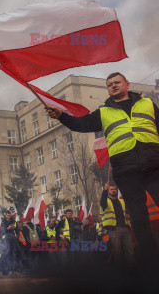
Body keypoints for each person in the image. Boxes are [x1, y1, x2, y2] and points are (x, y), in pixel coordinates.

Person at [47, 72, 159, 263]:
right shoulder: (104, 111)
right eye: (109, 84)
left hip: (153, 164)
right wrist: (62, 117)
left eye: (117, 82)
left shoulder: (148, 104)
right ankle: (152, 262)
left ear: (127, 84)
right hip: (126, 170)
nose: (113, 86)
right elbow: (81, 123)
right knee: (139, 218)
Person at [100, 183, 134, 268]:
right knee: (117, 251)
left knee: (130, 250)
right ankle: (120, 270)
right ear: (108, 191)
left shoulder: (122, 201)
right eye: (111, 189)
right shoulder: (105, 201)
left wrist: (129, 216)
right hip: (114, 230)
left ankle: (131, 269)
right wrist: (105, 190)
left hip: (125, 228)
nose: (114, 190)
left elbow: (128, 211)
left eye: (114, 189)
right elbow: (102, 202)